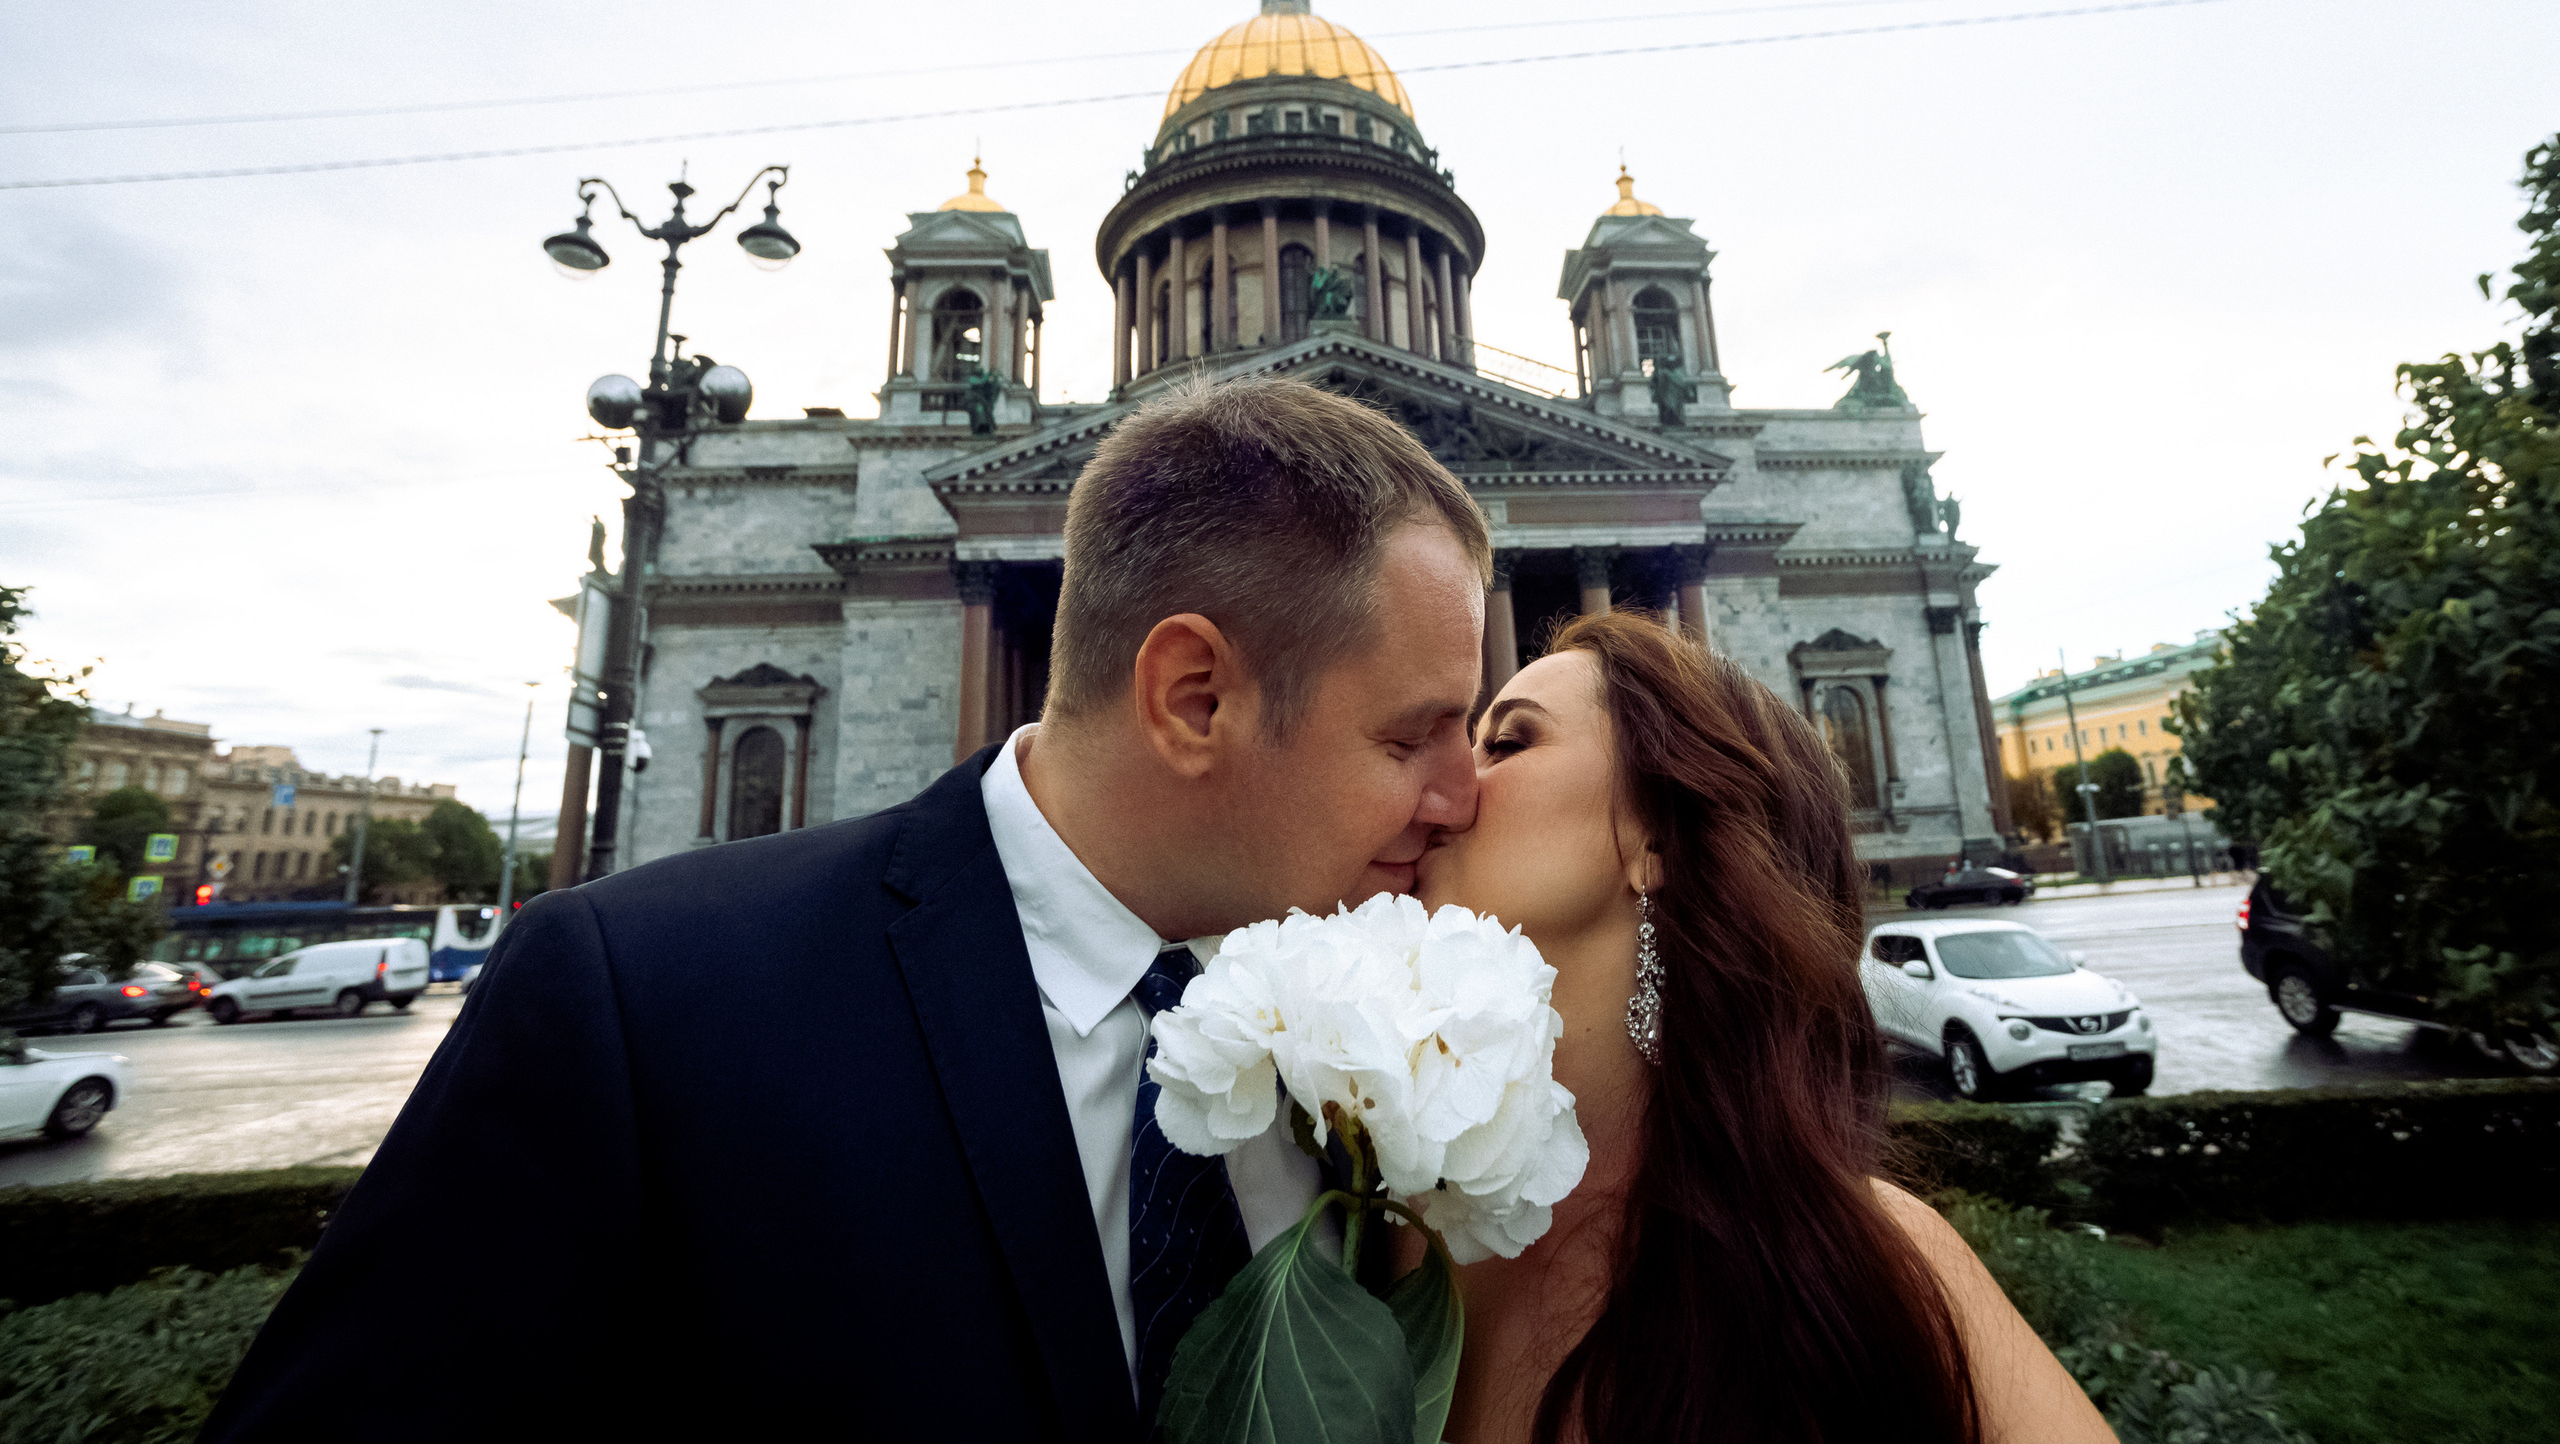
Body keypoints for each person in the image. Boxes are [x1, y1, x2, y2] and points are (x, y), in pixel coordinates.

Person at [202, 379, 1490, 1441]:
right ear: (1195, 698)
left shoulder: (1390, 1031)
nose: (1464, 795)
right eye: (1413, 735)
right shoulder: (646, 1002)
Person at [1412, 612, 2113, 1444]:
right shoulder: (1347, 1210)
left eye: (1509, 742)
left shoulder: (1853, 1271)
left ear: (1660, 835)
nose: (1448, 783)